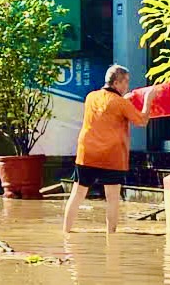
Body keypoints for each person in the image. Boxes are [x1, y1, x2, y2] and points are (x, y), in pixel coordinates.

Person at [63, 63, 149, 236]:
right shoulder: (121, 103)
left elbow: (107, 109)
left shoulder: (91, 97)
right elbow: (142, 120)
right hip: (112, 156)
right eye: (125, 82)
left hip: (87, 154)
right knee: (112, 199)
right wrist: (149, 98)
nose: (127, 86)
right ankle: (111, 235)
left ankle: (66, 232)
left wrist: (126, 101)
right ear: (117, 83)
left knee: (77, 194)